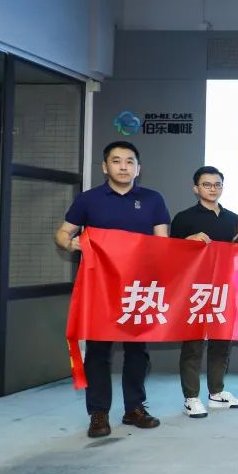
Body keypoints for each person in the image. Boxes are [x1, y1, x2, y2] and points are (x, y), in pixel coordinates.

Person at [54, 141, 169, 438]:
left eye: (129, 161)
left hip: (139, 288)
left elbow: (162, 243)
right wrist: (71, 243)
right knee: (98, 352)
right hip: (100, 288)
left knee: (137, 351)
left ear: (138, 168)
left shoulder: (153, 199)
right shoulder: (88, 200)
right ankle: (98, 413)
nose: (123, 166)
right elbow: (63, 232)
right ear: (105, 167)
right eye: (116, 161)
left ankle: (134, 408)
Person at [169, 165, 238, 418]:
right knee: (192, 344)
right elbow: (169, 253)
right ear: (196, 188)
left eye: (217, 184)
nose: (213, 189)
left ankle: (217, 393)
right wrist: (186, 242)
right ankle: (191, 397)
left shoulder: (233, 219)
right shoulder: (184, 218)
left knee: (221, 342)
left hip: (225, 287)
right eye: (206, 184)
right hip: (195, 288)